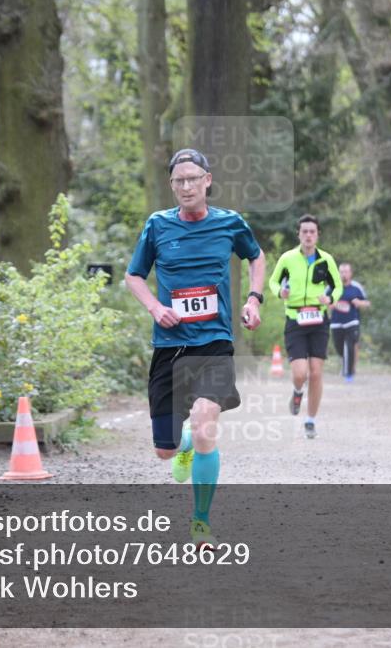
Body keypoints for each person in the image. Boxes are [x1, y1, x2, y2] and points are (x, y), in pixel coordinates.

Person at [125, 148, 265, 548]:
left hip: (214, 342)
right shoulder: (157, 226)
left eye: (192, 178)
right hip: (169, 346)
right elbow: (133, 275)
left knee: (206, 421)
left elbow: (256, 257)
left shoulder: (229, 223)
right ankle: (183, 444)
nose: (185, 186)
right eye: (178, 181)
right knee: (165, 454)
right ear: (172, 186)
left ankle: (200, 523)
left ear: (207, 180)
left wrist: (254, 299)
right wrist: (155, 306)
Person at [267, 214, 341, 439]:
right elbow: (273, 281)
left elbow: (337, 286)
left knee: (317, 373)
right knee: (300, 373)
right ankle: (297, 392)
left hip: (319, 320)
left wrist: (331, 299)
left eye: (312, 232)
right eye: (304, 231)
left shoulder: (326, 260)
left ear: (317, 235)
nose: (308, 235)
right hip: (295, 320)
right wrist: (281, 292)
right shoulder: (288, 259)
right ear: (298, 234)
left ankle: (310, 420)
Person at [328, 262, 370, 382]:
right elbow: (324, 301)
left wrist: (360, 303)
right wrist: (331, 304)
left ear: (350, 273)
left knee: (351, 346)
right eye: (341, 272)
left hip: (352, 322)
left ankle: (349, 374)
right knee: (340, 348)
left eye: (346, 272)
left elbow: (367, 303)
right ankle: (347, 365)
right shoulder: (332, 287)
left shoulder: (357, 287)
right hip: (336, 323)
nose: (343, 274)